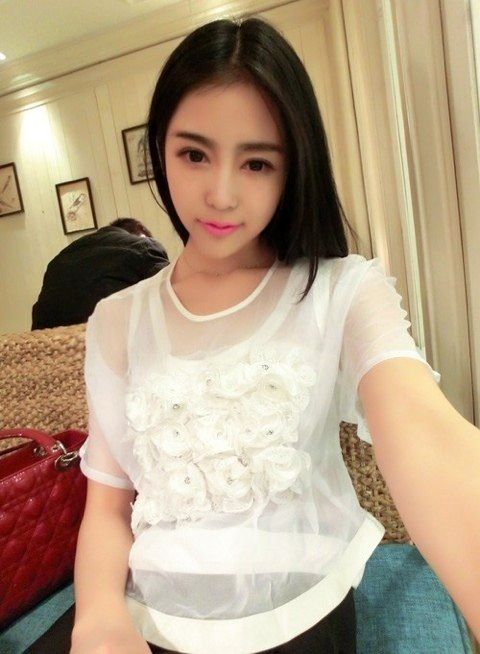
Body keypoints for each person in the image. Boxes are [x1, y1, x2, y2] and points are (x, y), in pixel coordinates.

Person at [71, 16, 480, 654]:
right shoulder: (117, 319)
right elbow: (107, 503)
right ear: (161, 149)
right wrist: (97, 617)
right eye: (194, 154)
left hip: (297, 613)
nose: (221, 194)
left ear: (293, 169)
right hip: (143, 622)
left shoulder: (342, 292)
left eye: (257, 162)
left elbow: (427, 436)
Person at [31, 218, 169, 329]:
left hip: (50, 350)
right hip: (115, 348)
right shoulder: (144, 246)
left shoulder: (58, 260)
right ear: (140, 233)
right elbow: (173, 300)